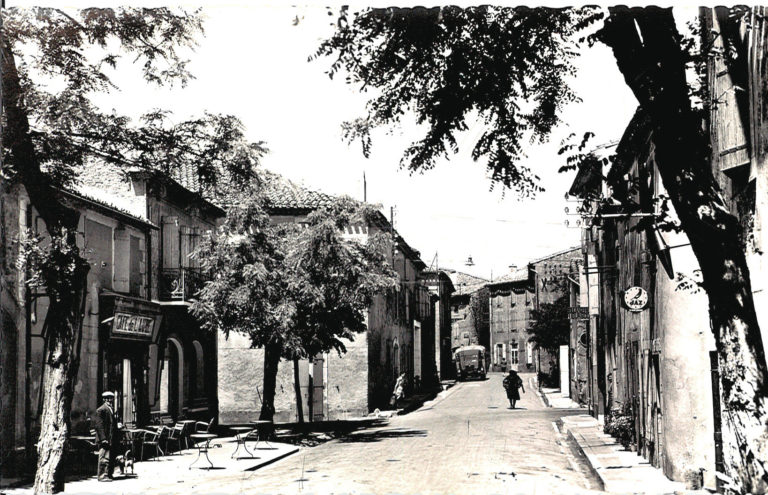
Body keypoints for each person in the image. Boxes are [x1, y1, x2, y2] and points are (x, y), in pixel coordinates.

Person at [93, 391, 121, 481]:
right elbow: (99, 425)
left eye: (111, 398)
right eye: (107, 398)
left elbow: (111, 424)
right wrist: (103, 438)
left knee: (110, 457)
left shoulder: (110, 409)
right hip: (105, 438)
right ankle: (102, 476)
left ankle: (108, 474)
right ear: (104, 399)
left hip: (111, 438)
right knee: (104, 457)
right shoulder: (101, 410)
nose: (110, 400)